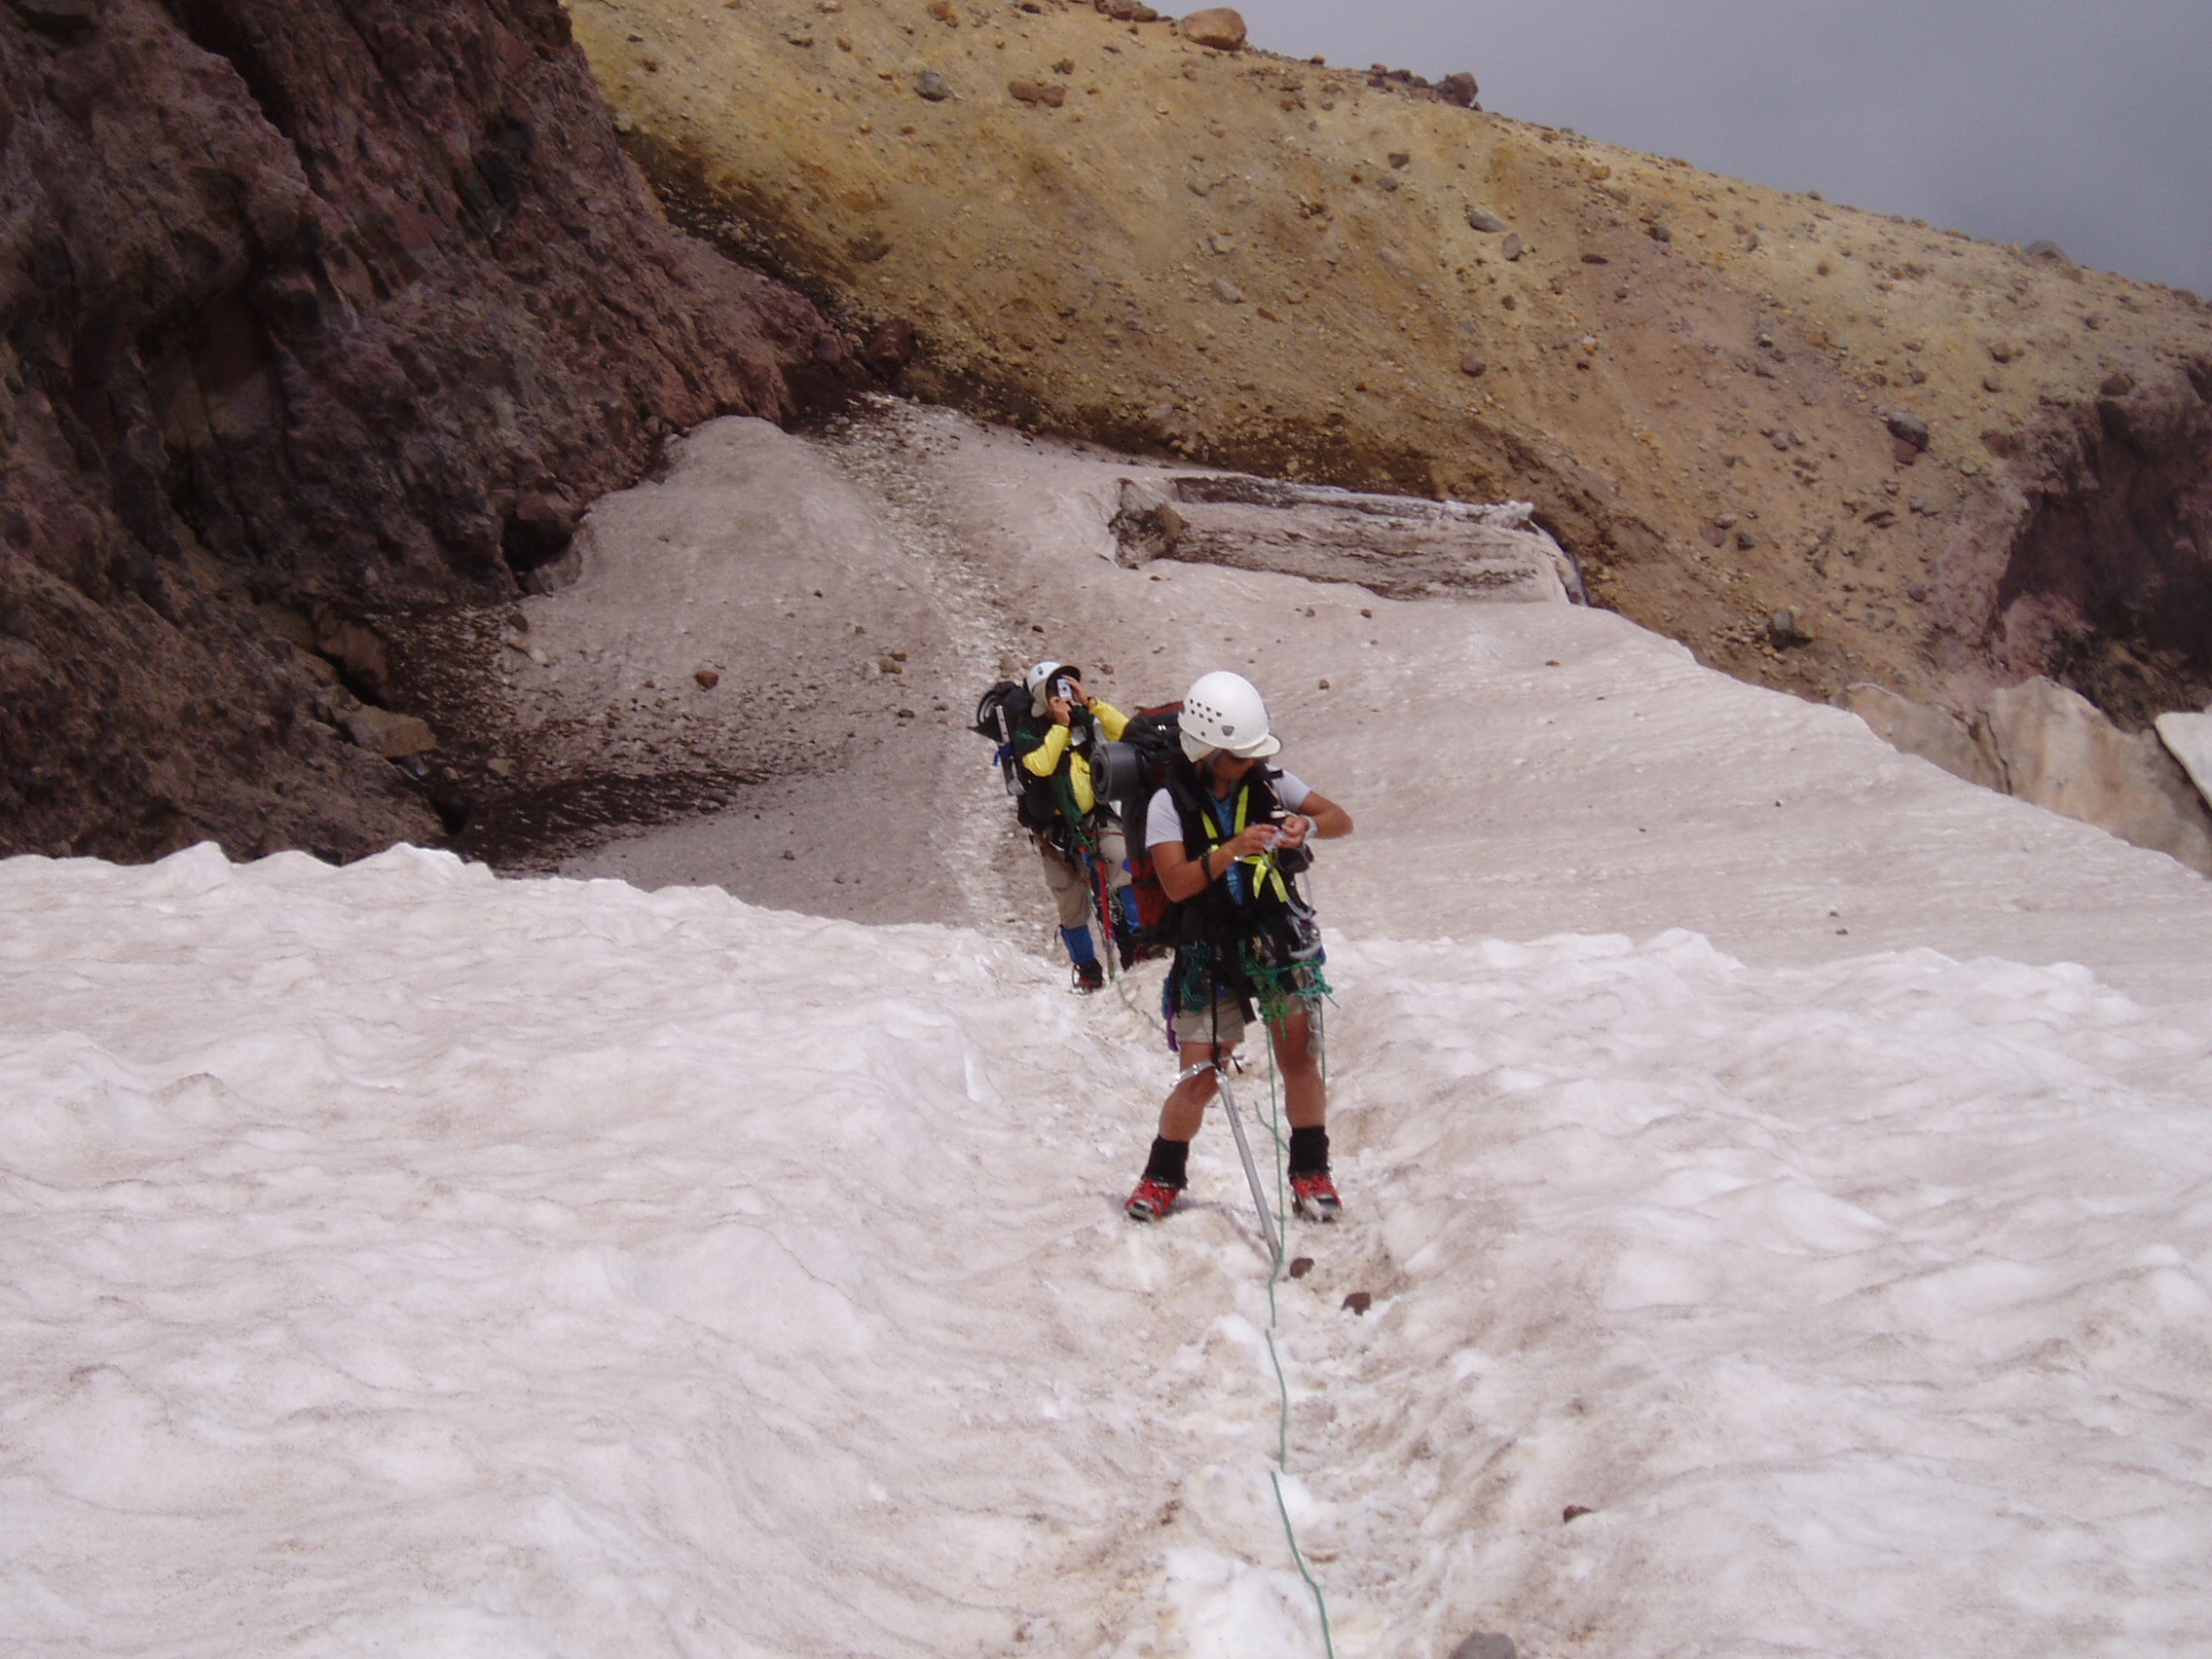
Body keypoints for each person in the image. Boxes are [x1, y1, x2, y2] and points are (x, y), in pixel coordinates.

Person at [1124, 671, 1353, 1224]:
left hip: (1273, 938)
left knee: (1297, 1058)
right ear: (1205, 750)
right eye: (1235, 755)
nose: (1246, 764)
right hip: (1207, 948)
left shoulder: (1272, 782)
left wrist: (1306, 826)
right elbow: (1176, 882)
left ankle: (1310, 1172)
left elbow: (1339, 818)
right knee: (1200, 1076)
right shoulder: (1165, 802)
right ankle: (1162, 1175)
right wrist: (1232, 849)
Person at [1014, 660, 1143, 991]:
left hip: (1095, 817)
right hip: (1054, 831)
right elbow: (1039, 765)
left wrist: (1091, 705)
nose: (1063, 694)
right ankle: (1087, 967)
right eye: (1056, 688)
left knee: (1122, 860)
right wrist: (1060, 726)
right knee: (1070, 902)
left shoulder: (1085, 721)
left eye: (1067, 686)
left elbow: (1125, 731)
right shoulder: (1027, 730)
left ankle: (1140, 940)